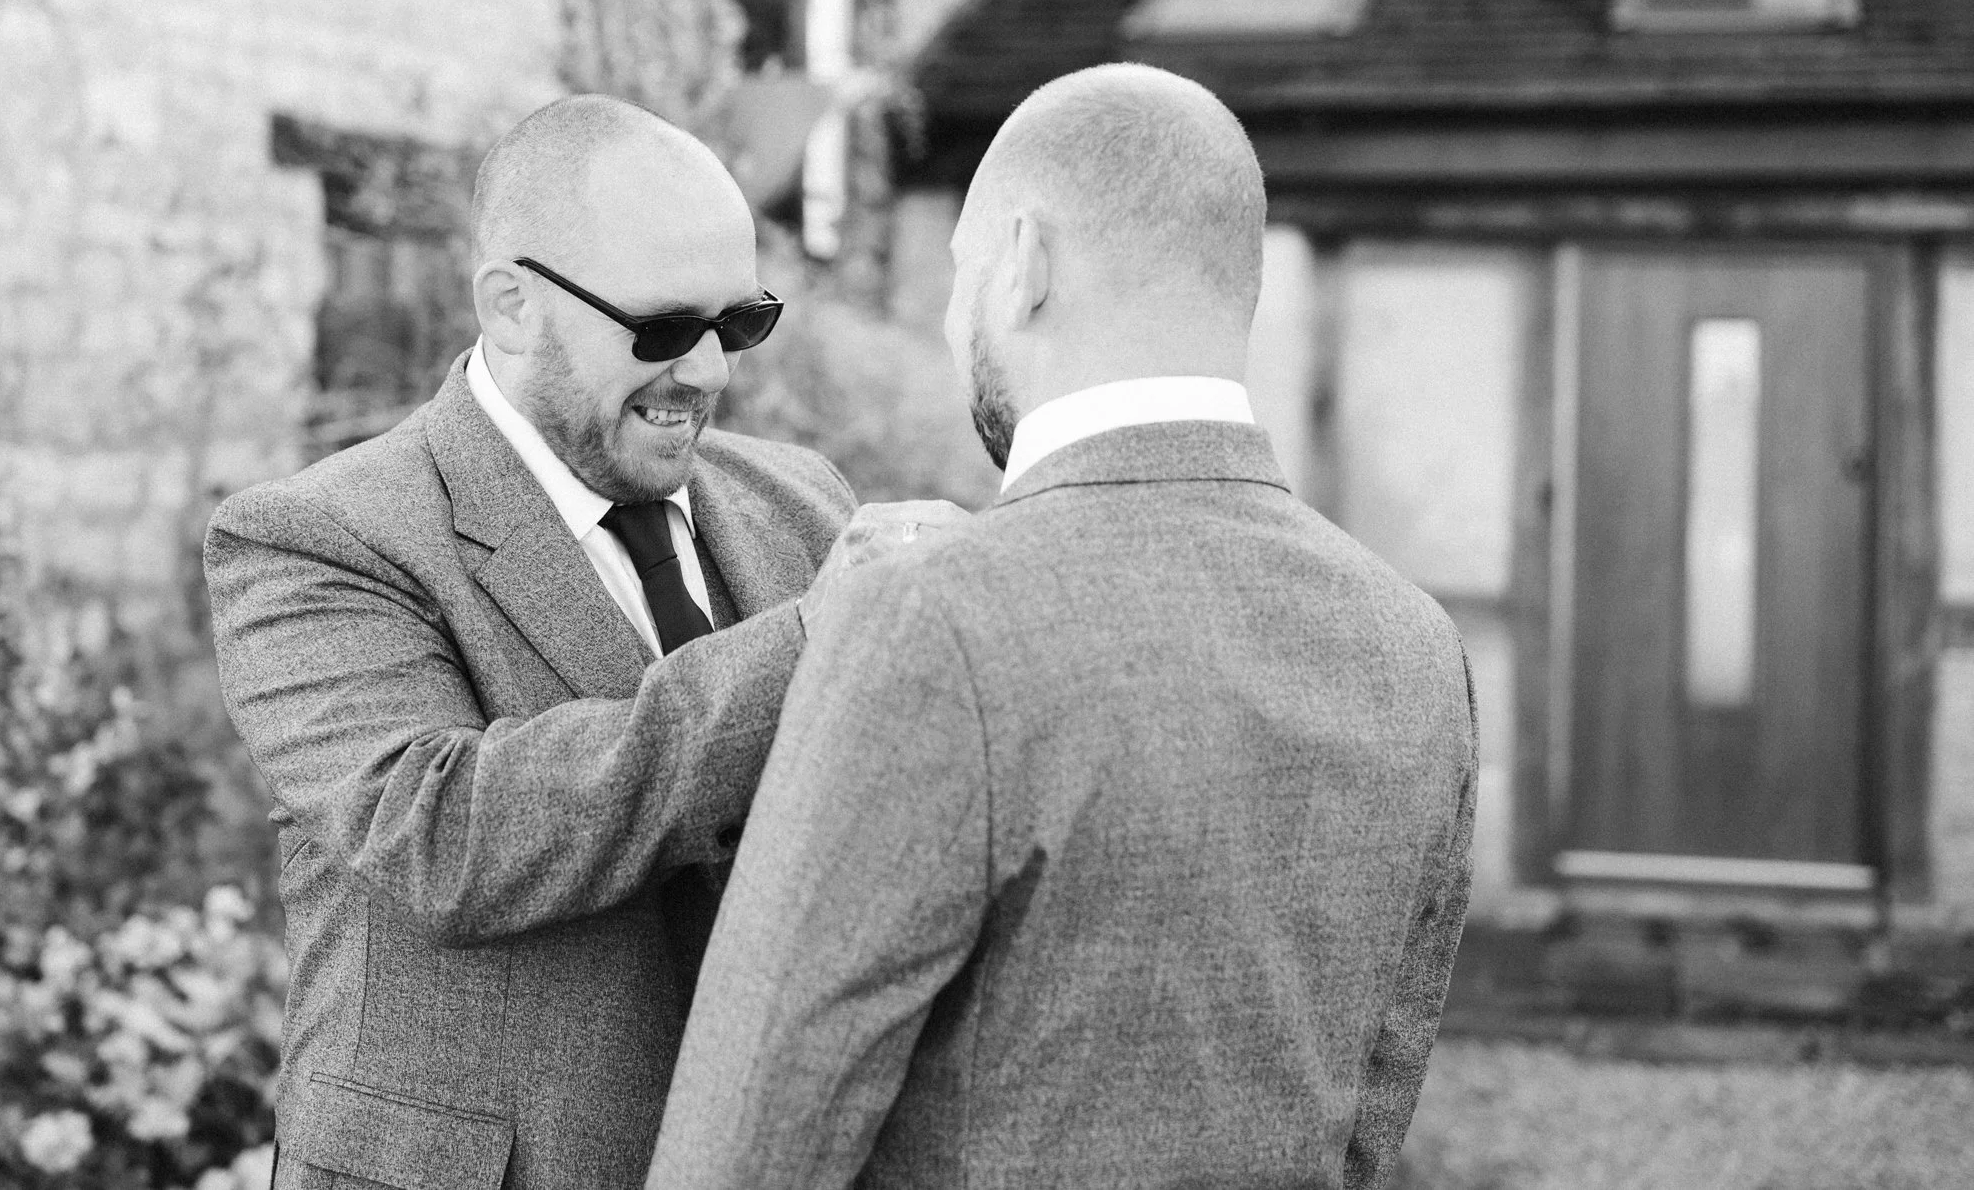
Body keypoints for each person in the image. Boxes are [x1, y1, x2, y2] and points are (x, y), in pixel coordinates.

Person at [648, 65, 1479, 1190]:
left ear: (1022, 265)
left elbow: (747, 1143)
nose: (952, 324)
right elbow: (1371, 1118)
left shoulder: (932, 623)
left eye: (958, 276)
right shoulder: (1412, 643)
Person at [207, 95, 945, 1190]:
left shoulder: (803, 503)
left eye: (739, 323)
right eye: (660, 329)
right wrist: (813, 640)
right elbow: (444, 838)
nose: (708, 372)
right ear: (510, 306)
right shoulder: (319, 536)